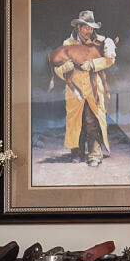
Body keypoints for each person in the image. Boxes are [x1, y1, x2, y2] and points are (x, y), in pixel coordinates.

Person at [48, 10, 116, 165]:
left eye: (91, 28)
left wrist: (93, 64)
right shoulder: (67, 44)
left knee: (92, 120)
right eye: (86, 27)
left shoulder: (101, 42)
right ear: (78, 27)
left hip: (93, 89)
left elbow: (110, 60)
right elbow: (57, 67)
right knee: (75, 121)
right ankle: (76, 153)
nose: (89, 31)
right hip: (74, 90)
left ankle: (94, 155)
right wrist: (64, 69)